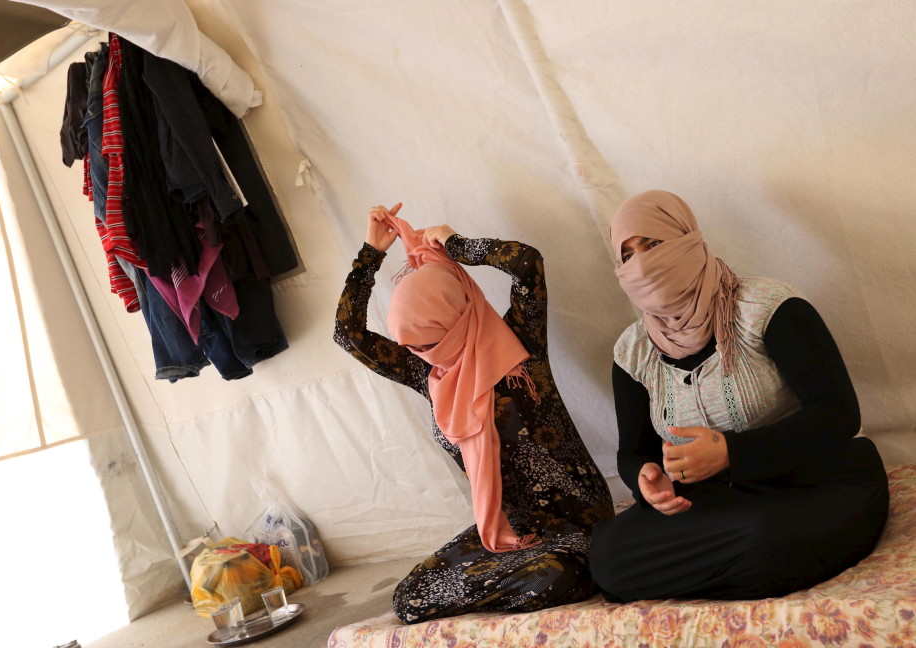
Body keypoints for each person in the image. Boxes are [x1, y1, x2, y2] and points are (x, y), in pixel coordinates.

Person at [588, 190, 889, 602]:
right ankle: (753, 569)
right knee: (608, 557)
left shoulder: (768, 308)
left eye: (653, 244)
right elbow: (632, 451)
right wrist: (646, 479)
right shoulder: (633, 351)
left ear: (688, 240)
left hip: (816, 483)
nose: (642, 263)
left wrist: (732, 452)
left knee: (765, 539)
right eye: (628, 256)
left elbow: (838, 415)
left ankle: (736, 567)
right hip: (722, 501)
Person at [334, 203, 613, 623]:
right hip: (509, 530)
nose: (424, 355)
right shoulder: (428, 373)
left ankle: (519, 581)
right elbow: (347, 334)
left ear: (458, 316)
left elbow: (526, 263)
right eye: (414, 346)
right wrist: (370, 253)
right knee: (410, 598)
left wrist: (456, 244)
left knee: (553, 576)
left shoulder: (521, 345)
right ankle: (509, 580)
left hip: (577, 524)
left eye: (430, 342)